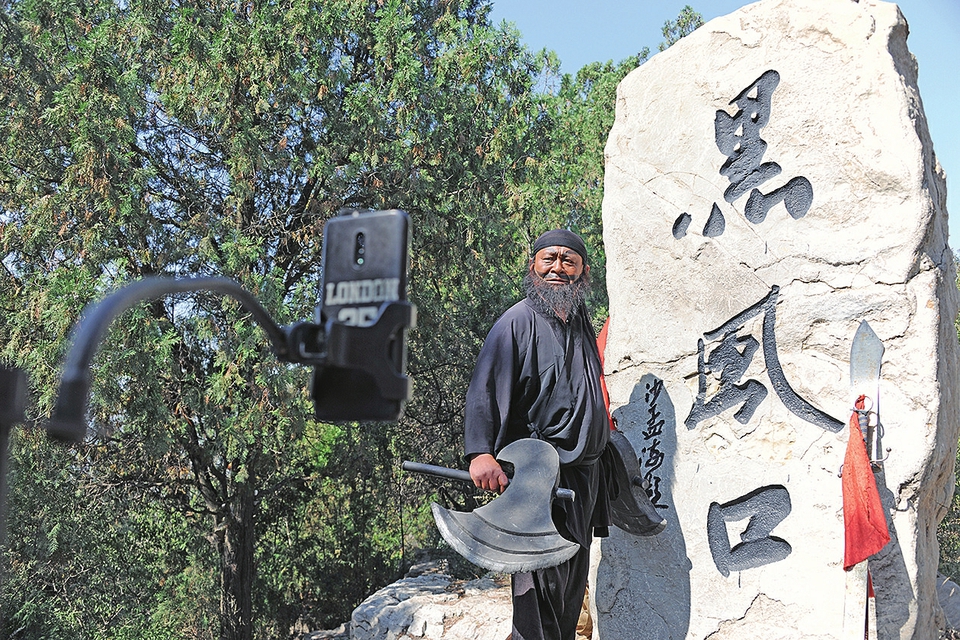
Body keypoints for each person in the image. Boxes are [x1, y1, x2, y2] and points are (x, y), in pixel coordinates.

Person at [464, 229, 612, 640]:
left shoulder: (580, 324)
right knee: (537, 596)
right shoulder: (516, 322)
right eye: (550, 259)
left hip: (583, 478)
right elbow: (485, 389)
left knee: (567, 591)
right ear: (534, 265)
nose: (558, 268)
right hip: (537, 479)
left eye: (569, 261)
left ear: (583, 272)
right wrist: (481, 453)